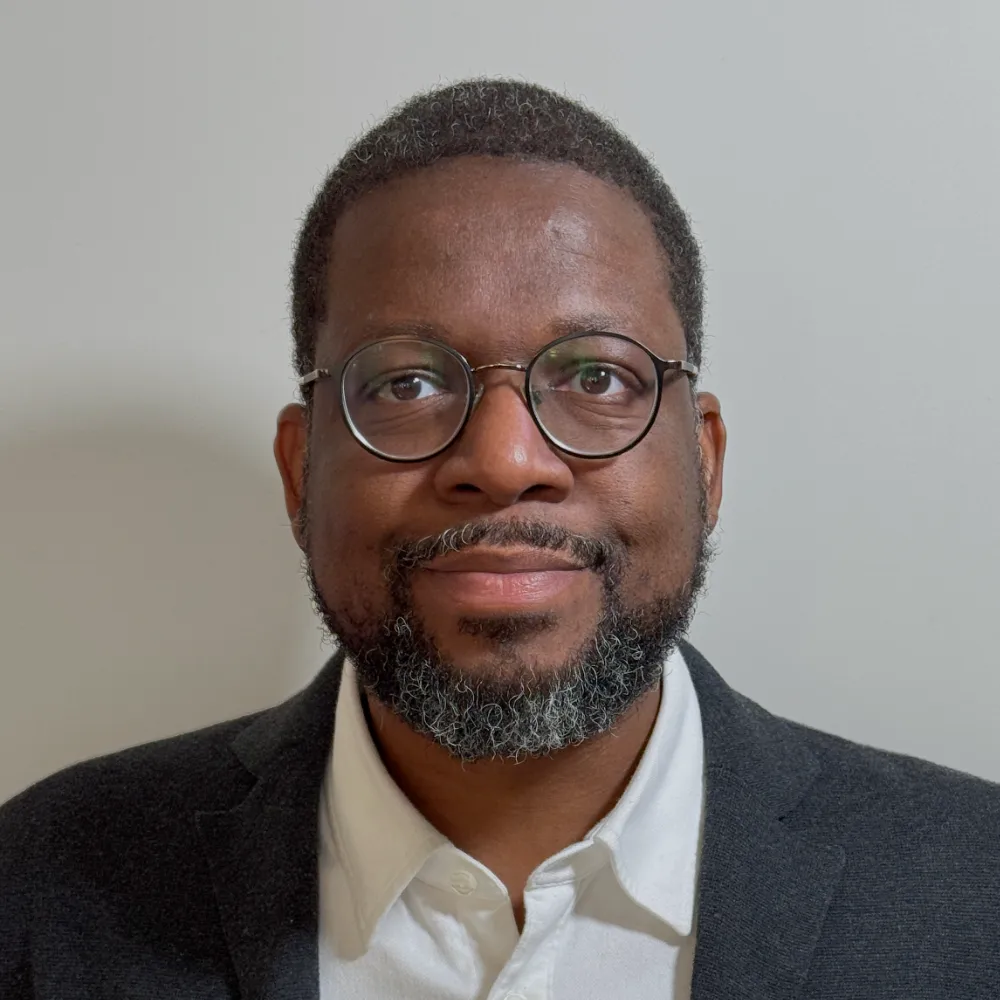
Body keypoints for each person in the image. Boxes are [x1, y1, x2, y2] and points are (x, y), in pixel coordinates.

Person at [1, 78, 998, 1000]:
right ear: (302, 470)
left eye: (597, 377)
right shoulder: (42, 890)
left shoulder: (972, 896)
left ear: (705, 463)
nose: (507, 456)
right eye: (405, 382)